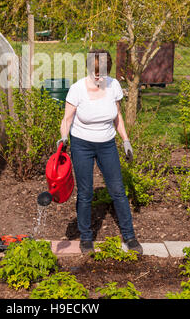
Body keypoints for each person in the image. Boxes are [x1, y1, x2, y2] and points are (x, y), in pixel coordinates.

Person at [57, 48, 143, 254]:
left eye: (102, 72)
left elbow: (117, 117)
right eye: (95, 72)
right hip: (82, 145)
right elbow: (67, 119)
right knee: (85, 193)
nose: (99, 76)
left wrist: (126, 141)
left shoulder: (114, 86)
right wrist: (63, 137)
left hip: (107, 144)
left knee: (118, 191)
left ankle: (129, 237)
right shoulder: (78, 89)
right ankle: (86, 238)